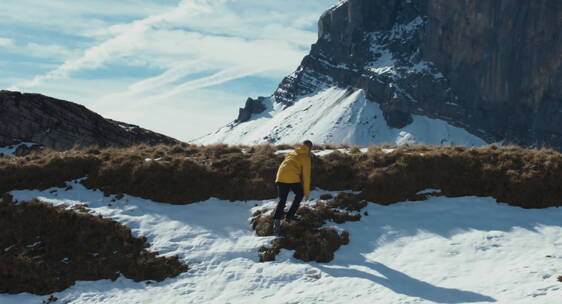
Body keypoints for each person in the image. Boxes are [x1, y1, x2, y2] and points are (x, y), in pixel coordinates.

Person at [272, 140, 312, 235]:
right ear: (310, 148)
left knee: (282, 200)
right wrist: (306, 193)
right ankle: (290, 216)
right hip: (292, 178)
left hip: (280, 177)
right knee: (300, 194)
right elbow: (306, 176)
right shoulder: (306, 157)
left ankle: (276, 224)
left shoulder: (292, 152)